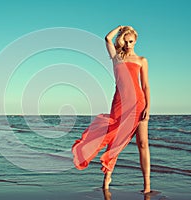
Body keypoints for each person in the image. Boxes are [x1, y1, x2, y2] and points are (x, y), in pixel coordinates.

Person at [71, 25, 151, 193]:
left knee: (143, 144)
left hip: (138, 104)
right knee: (114, 141)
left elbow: (145, 86)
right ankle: (107, 177)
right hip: (120, 104)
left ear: (136, 41)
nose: (128, 44)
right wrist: (120, 28)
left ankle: (147, 186)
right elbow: (107, 38)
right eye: (126, 41)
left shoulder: (142, 60)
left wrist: (148, 107)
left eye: (131, 41)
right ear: (122, 41)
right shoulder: (116, 58)